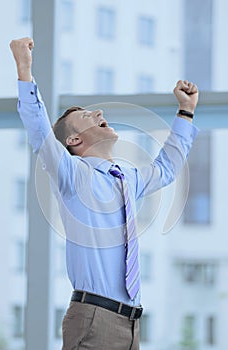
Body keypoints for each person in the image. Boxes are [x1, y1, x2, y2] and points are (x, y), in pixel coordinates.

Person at [10, 37, 199, 350]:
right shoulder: (72, 176)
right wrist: (24, 72)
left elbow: (165, 169)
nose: (97, 111)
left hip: (131, 324)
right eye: (86, 116)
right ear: (73, 142)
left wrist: (186, 112)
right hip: (94, 319)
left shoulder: (126, 180)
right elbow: (39, 130)